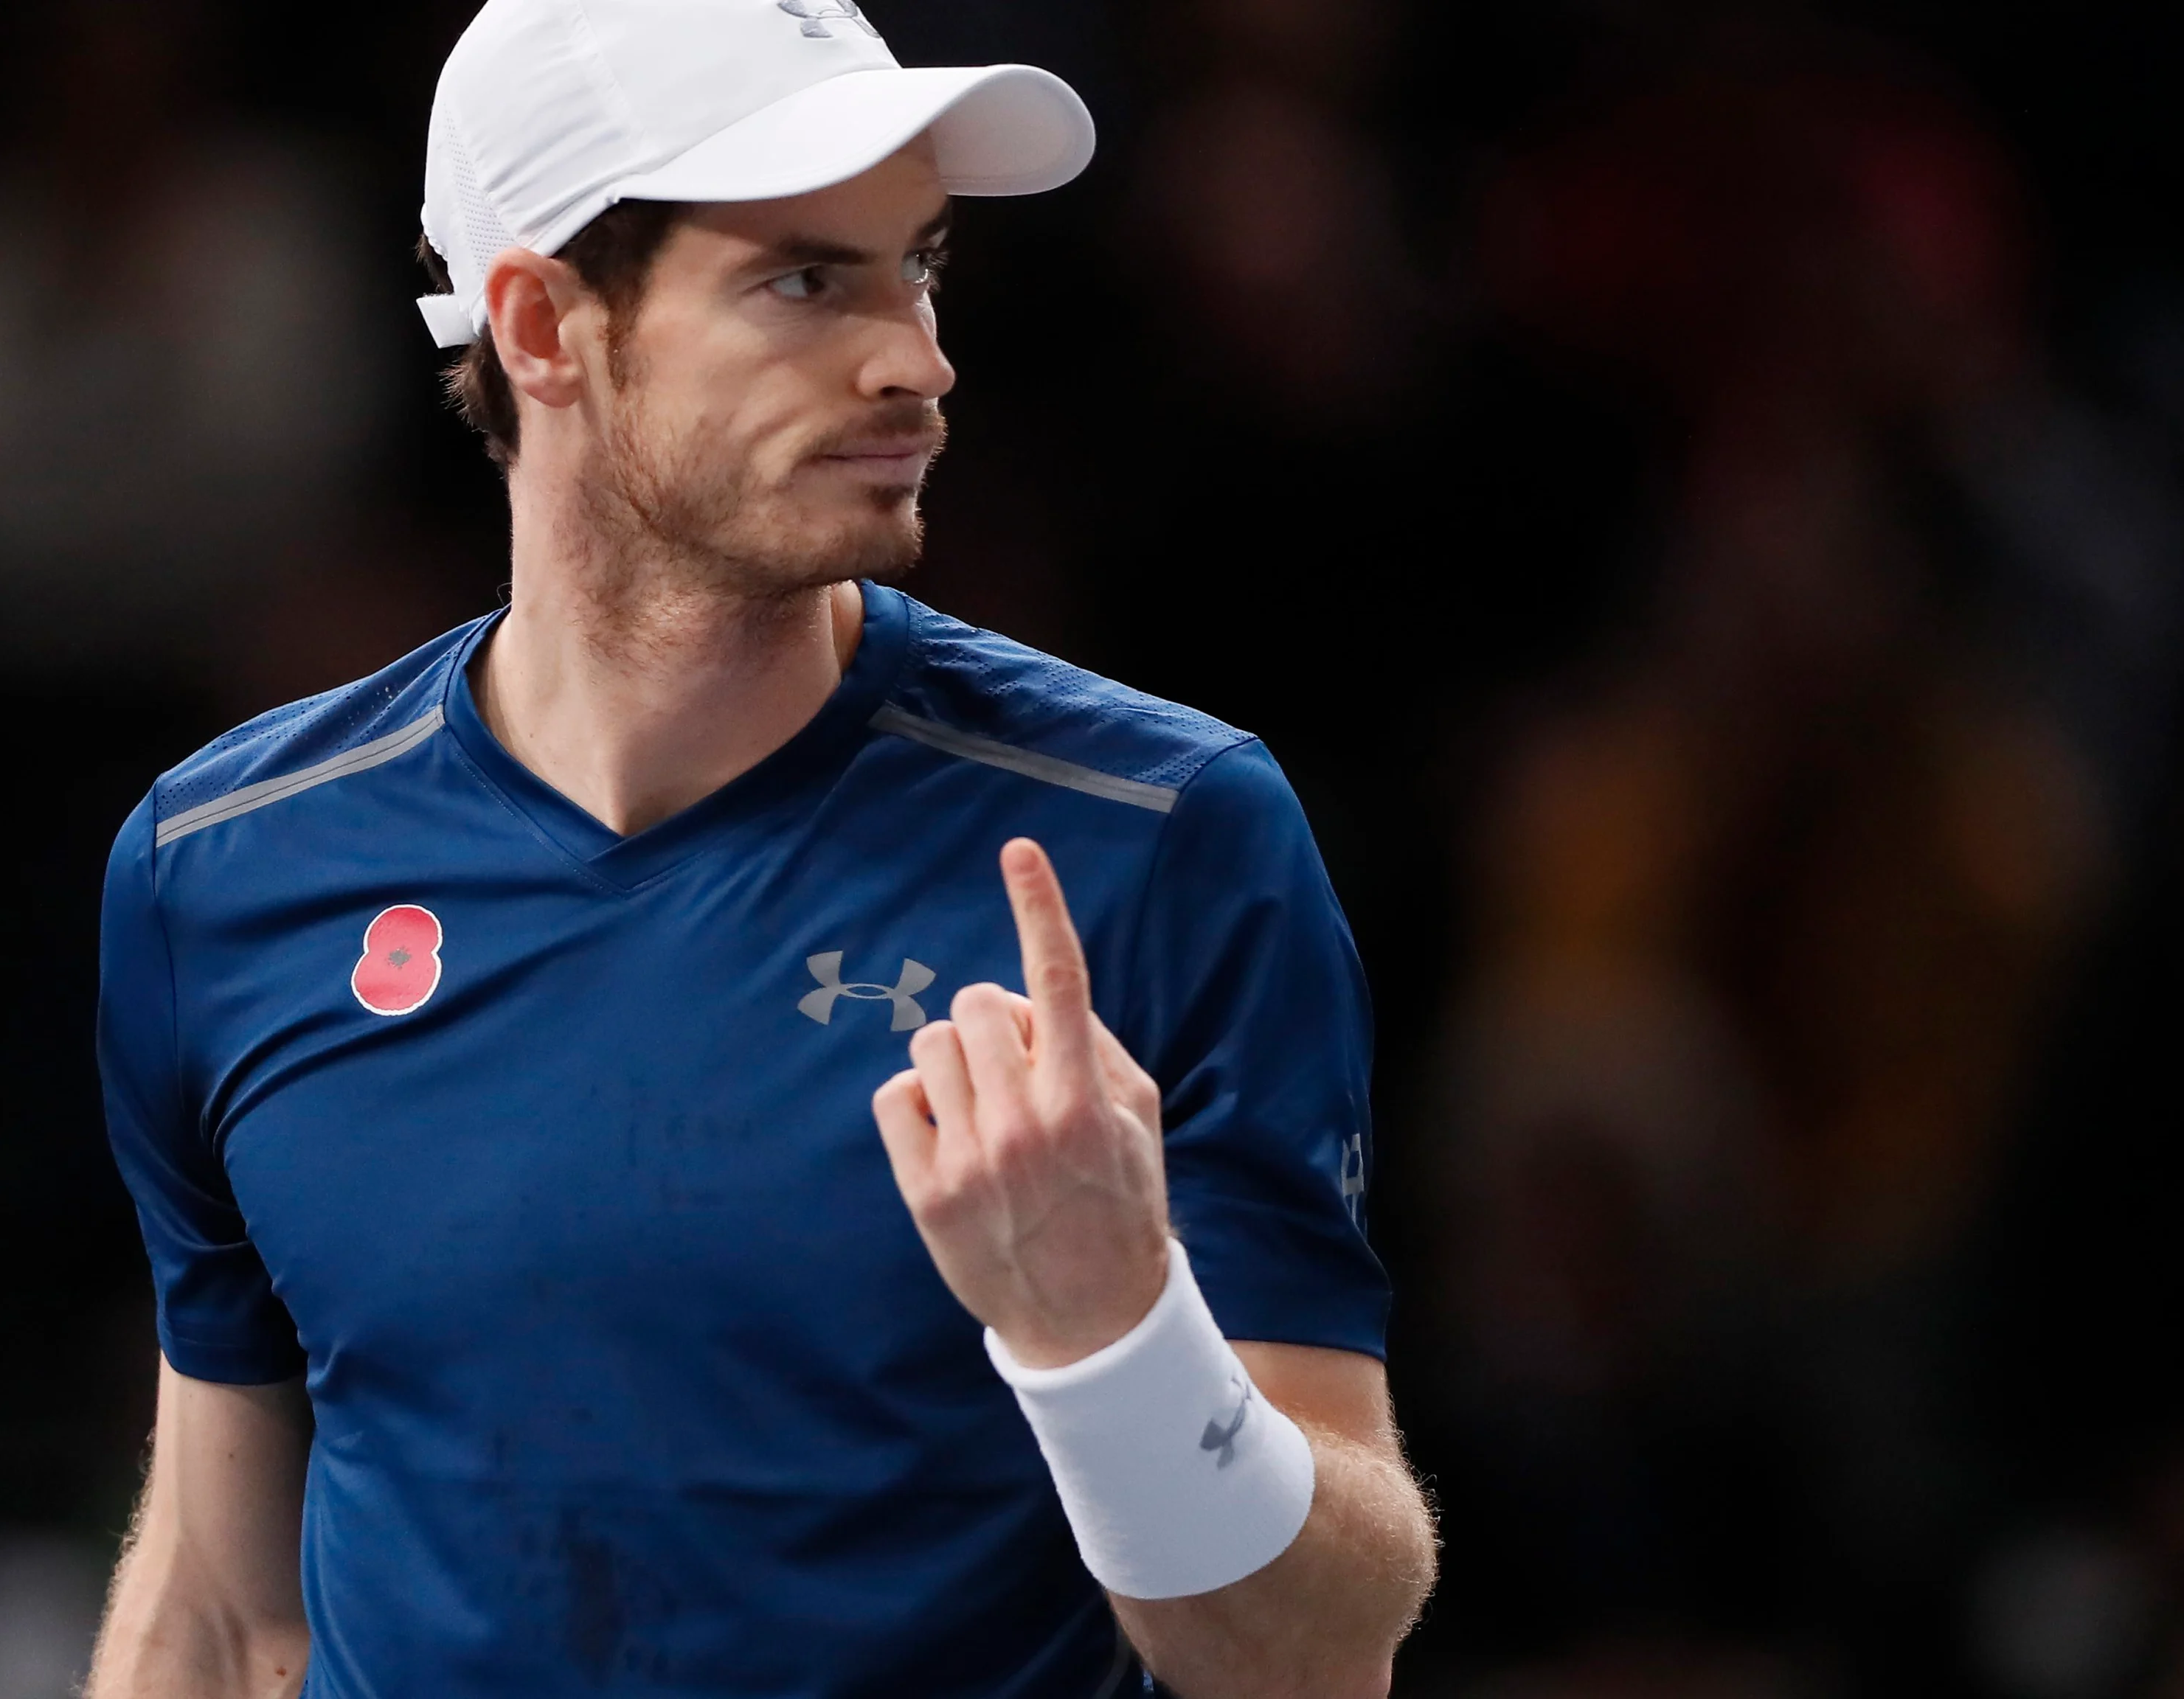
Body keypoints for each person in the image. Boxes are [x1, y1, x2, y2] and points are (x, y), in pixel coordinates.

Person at [82, 1, 1435, 1693]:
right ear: (540, 325)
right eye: (806, 281)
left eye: (917, 268)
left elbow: (1314, 1660)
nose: (916, 360)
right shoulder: (220, 869)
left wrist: (1114, 1344)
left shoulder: (1160, 839)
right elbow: (222, 1609)